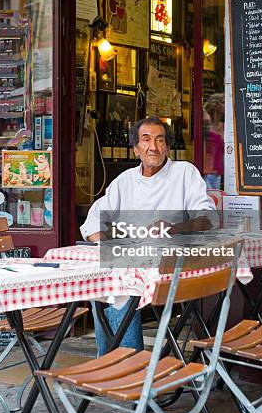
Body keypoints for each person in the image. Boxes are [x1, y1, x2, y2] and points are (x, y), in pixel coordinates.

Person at [80, 116, 219, 355]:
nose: (153, 147)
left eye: (160, 140)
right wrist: (110, 241)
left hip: (173, 270)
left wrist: (174, 229)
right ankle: (115, 367)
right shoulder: (125, 181)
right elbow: (93, 221)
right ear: (135, 149)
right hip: (134, 262)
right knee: (104, 286)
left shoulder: (184, 173)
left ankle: (127, 368)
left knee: (118, 287)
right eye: (146, 140)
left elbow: (209, 218)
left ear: (167, 146)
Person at [203, 93, 225, 190]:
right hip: (207, 172)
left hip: (218, 172)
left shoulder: (223, 124)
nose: (226, 105)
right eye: (224, 102)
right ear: (217, 104)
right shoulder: (205, 120)